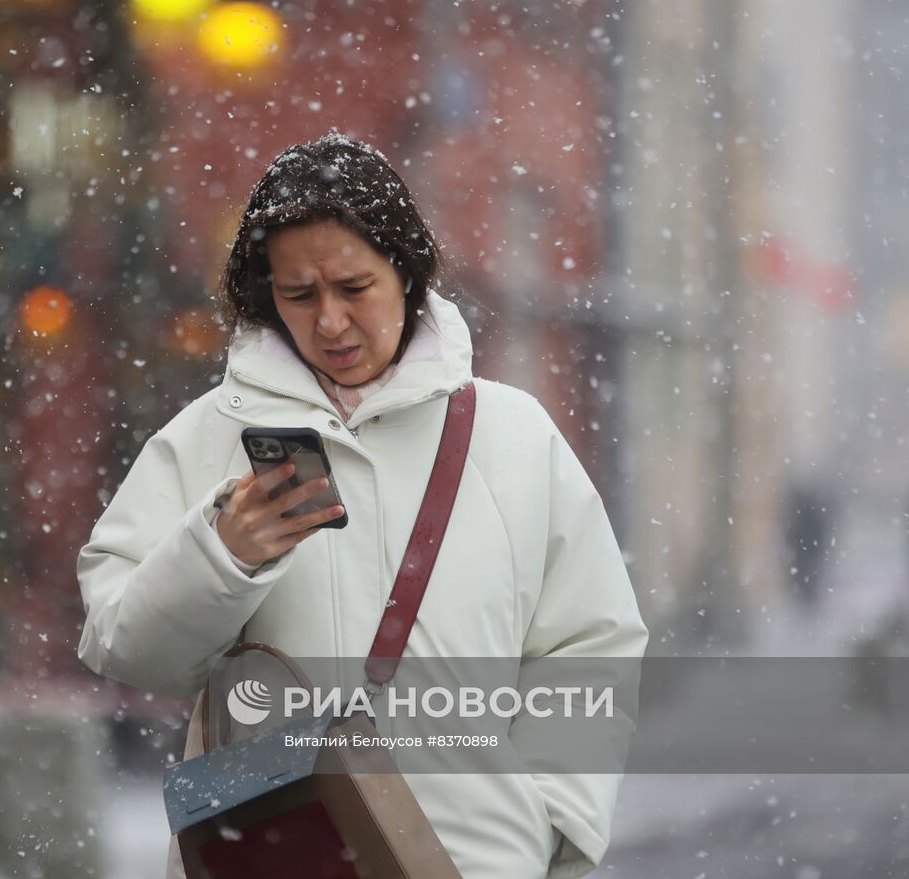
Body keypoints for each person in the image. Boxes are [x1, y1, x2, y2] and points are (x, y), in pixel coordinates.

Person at [76, 129, 648, 879]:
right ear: (266, 297)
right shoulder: (208, 438)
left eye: (354, 287)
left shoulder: (515, 438)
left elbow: (587, 648)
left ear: (406, 274)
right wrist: (221, 555)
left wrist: (553, 826)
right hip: (278, 856)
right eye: (299, 295)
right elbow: (124, 646)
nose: (331, 322)